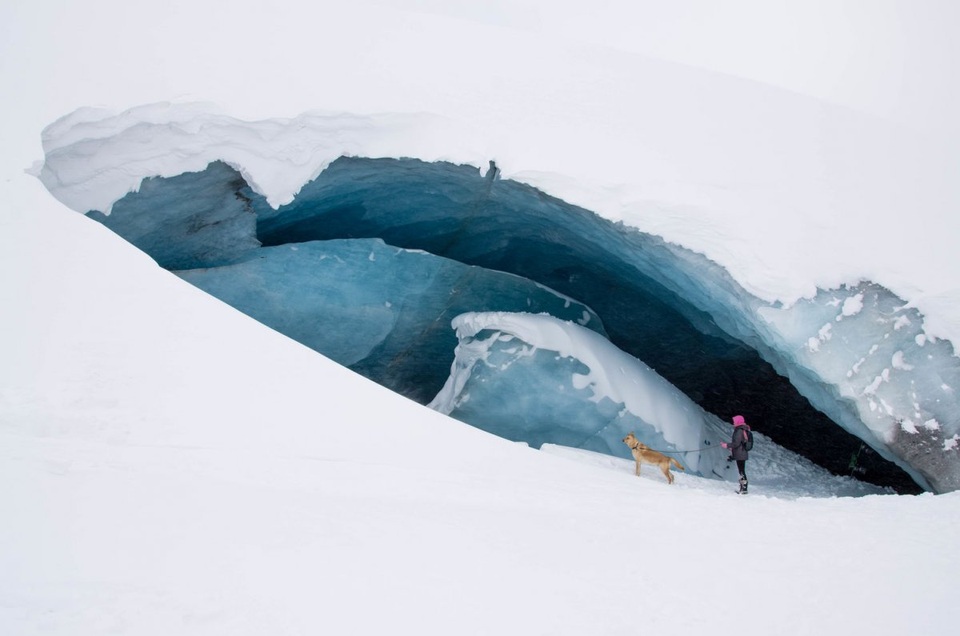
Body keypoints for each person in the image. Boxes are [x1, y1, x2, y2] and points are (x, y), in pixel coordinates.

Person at [721, 415, 751, 494]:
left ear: (738, 421)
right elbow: (740, 443)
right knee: (741, 470)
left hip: (740, 454)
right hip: (742, 453)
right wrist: (732, 448)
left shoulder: (739, 430)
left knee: (741, 471)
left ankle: (744, 489)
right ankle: (743, 488)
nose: (733, 422)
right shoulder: (742, 429)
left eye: (734, 421)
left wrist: (726, 445)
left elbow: (736, 443)